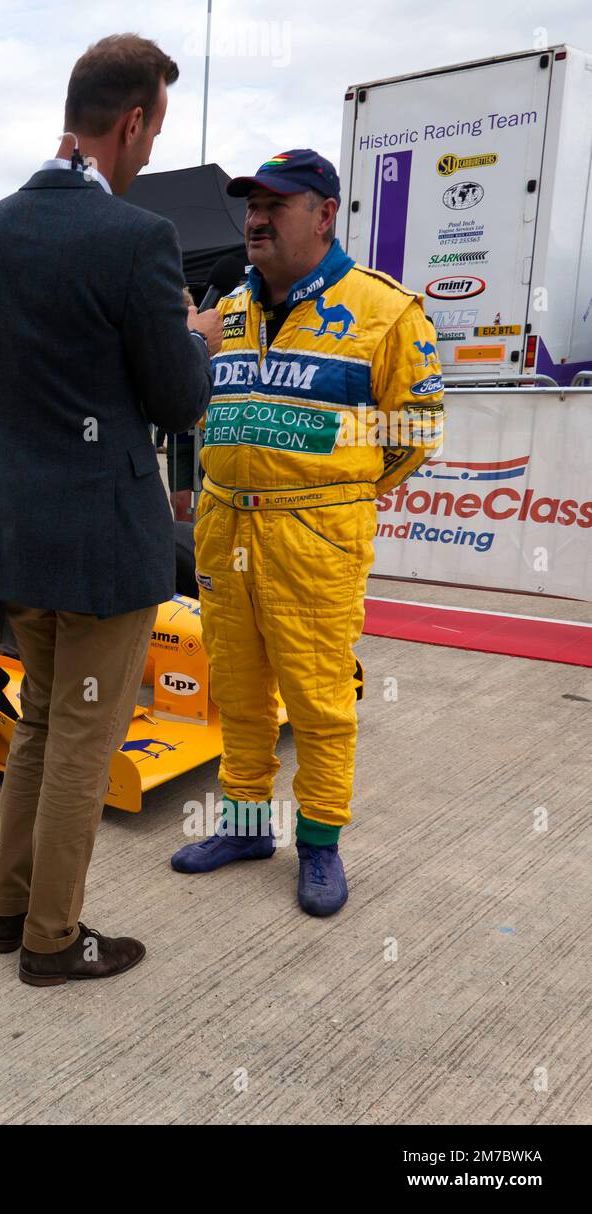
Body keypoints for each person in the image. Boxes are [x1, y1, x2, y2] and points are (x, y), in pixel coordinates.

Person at [0, 33, 219, 986]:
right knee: (83, 746)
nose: (148, 156)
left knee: (41, 725)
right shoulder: (137, 240)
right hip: (104, 546)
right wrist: (194, 335)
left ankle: (7, 910)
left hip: (15, 537)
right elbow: (178, 403)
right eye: (153, 134)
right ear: (131, 121)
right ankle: (53, 940)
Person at [170, 149, 445, 916]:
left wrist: (336, 495)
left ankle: (319, 847)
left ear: (324, 215)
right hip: (226, 534)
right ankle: (246, 826)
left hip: (316, 544)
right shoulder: (230, 311)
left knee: (321, 703)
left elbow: (417, 430)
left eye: (275, 205)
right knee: (238, 691)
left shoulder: (385, 310)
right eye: (251, 205)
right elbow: (199, 411)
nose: (256, 218)